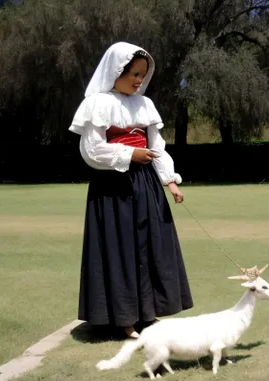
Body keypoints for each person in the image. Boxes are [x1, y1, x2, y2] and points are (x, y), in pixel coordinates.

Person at [69, 42, 194, 339]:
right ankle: (124, 318)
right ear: (116, 71)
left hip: (146, 184)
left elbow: (157, 146)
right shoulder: (98, 103)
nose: (139, 80)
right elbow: (91, 149)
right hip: (113, 185)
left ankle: (148, 313)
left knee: (149, 245)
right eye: (133, 73)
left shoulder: (144, 105)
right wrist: (128, 155)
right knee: (120, 248)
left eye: (142, 74)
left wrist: (170, 181)